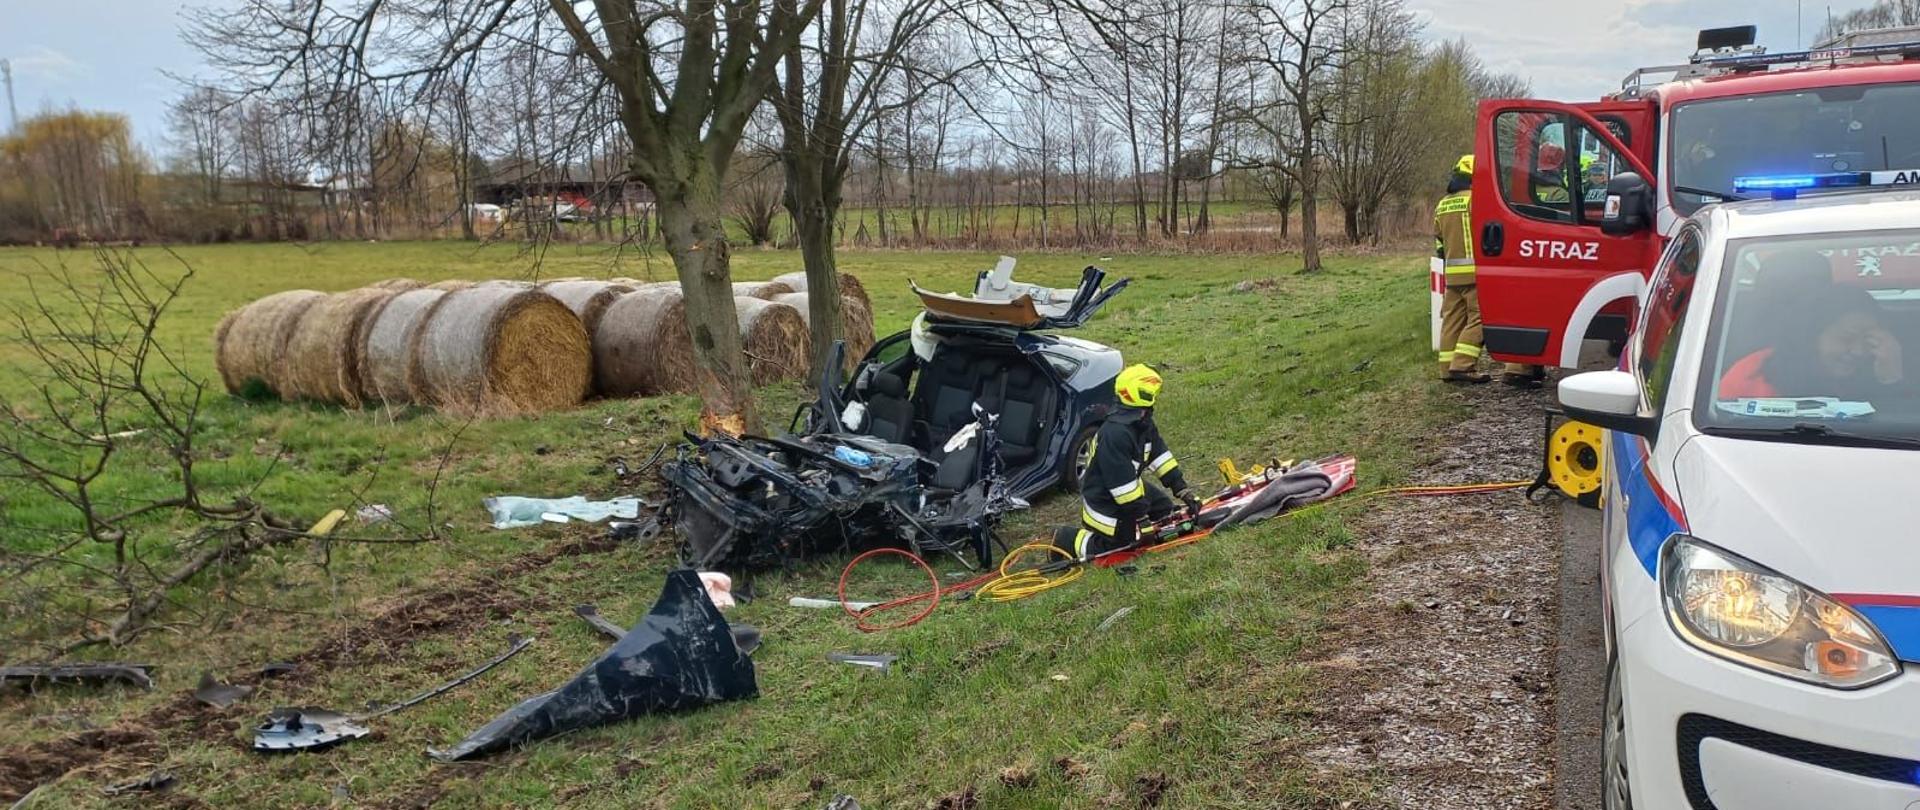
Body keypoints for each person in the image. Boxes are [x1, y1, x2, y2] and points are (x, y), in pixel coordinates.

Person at [1065, 364, 1203, 562]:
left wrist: (1183, 491)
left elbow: (1160, 457)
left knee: (1165, 509)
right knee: (1124, 544)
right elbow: (1122, 487)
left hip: (1128, 490)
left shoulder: (1142, 421)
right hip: (1104, 502)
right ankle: (1068, 540)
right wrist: (1141, 518)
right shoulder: (1115, 434)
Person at [1720, 287, 1905, 400]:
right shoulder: (1756, 372)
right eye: (1847, 338)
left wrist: (1890, 378)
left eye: (1868, 341)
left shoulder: (1879, 368)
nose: (1858, 351)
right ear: (1812, 335)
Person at [1434, 154, 1491, 383]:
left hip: (1452, 273)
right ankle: (1463, 365)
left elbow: (1438, 240)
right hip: (1474, 272)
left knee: (1452, 320)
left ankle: (1446, 368)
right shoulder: (1475, 200)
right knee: (1481, 318)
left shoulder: (1443, 204)